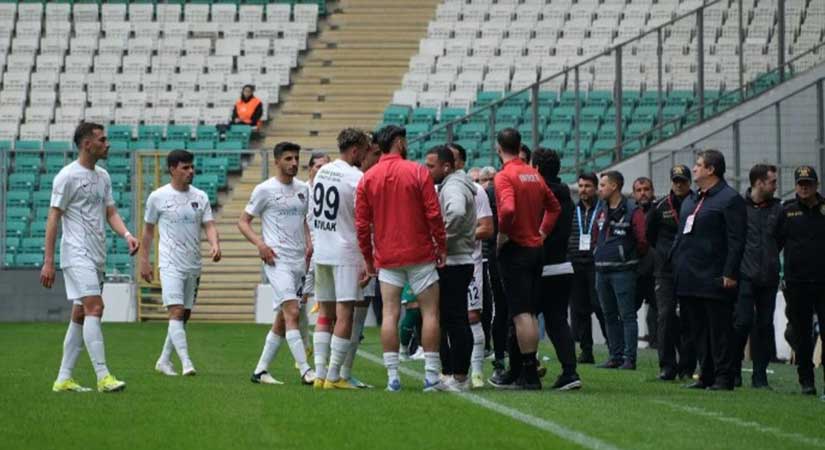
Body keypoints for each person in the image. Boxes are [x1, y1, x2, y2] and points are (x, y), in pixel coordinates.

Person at [44, 122, 139, 393]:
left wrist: (127, 235)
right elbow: (53, 217)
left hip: (97, 255)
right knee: (95, 307)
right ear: (87, 144)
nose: (107, 143)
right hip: (76, 253)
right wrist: (48, 261)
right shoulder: (67, 176)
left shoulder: (103, 176)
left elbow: (110, 212)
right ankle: (103, 376)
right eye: (102, 139)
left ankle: (63, 378)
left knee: (80, 313)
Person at [355, 125, 447, 392]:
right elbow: (433, 213)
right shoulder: (418, 171)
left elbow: (362, 225)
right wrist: (440, 245)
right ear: (398, 142)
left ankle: (392, 377)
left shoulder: (368, 178)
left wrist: (368, 258)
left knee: (390, 314)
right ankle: (431, 376)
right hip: (419, 252)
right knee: (430, 312)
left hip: (387, 255)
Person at [488, 128, 561, 390]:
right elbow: (554, 207)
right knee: (528, 311)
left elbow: (507, 209)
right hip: (534, 249)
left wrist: (503, 235)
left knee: (520, 314)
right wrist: (541, 232)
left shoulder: (504, 176)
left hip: (516, 249)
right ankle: (525, 370)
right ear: (520, 146)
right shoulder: (533, 174)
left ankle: (529, 372)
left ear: (499, 148)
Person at [238, 142, 316, 386]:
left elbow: (303, 219)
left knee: (283, 319)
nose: (294, 163)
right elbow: (243, 222)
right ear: (277, 162)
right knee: (292, 311)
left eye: (296, 158)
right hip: (277, 259)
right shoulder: (265, 190)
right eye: (288, 159)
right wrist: (261, 245)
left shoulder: (304, 189)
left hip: (299, 260)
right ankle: (305, 370)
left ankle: (261, 370)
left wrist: (308, 241)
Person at [140, 150, 221, 377]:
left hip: (193, 263)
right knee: (175, 311)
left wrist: (214, 244)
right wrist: (144, 261)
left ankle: (164, 360)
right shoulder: (157, 197)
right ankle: (186, 362)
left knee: (183, 315)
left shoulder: (201, 197)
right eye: (185, 168)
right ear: (172, 169)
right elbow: (147, 233)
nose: (190, 171)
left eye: (191, 167)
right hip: (170, 264)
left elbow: (209, 225)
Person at [673, 149, 746, 391]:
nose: (694, 169)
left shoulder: (729, 199)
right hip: (689, 276)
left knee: (719, 330)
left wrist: (730, 272)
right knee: (698, 331)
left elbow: (736, 241)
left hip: (714, 277)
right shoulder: (692, 200)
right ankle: (706, 375)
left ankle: (724, 377)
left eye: (698, 165)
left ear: (711, 170)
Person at [310, 129, 370, 390]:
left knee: (325, 312)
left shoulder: (323, 171)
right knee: (345, 312)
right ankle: (334, 376)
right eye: (365, 150)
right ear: (355, 150)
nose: (367, 155)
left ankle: (320, 374)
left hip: (321, 249)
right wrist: (368, 258)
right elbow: (364, 218)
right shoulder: (356, 177)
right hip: (345, 250)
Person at [425, 145, 477, 392]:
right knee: (450, 318)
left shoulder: (454, 186)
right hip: (458, 259)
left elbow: (455, 212)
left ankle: (460, 377)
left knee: (455, 319)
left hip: (455, 261)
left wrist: (440, 240)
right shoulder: (454, 183)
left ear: (446, 166)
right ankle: (453, 374)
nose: (428, 170)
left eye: (431, 166)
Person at [532, 149, 582, 390]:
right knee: (558, 321)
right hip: (563, 265)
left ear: (538, 168)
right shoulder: (566, 196)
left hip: (539, 265)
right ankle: (570, 372)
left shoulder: (539, 194)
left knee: (522, 317)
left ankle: (525, 369)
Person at [447, 143, 494, 388]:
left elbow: (487, 227)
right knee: (446, 318)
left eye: (452, 159)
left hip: (469, 262)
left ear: (461, 163)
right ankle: (449, 372)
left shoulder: (476, 190)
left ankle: (476, 372)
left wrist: (460, 235)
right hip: (442, 263)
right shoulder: (437, 187)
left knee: (471, 316)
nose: (448, 163)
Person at [733, 164, 782, 389]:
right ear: (759, 183)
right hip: (744, 275)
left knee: (764, 326)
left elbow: (779, 239)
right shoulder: (738, 208)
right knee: (741, 323)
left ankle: (760, 377)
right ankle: (733, 372)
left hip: (769, 277)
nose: (775, 185)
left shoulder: (778, 209)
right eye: (772, 181)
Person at [592, 171, 648, 370]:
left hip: (623, 271)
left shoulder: (633, 210)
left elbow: (642, 241)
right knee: (608, 314)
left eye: (602, 185)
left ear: (614, 186)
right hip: (601, 269)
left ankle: (629, 358)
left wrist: (626, 256)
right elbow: (595, 235)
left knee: (627, 315)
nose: (599, 189)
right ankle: (614, 355)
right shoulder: (601, 209)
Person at [646, 165, 696, 380]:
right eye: (675, 180)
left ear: (689, 182)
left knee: (689, 317)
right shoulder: (660, 207)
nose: (678, 184)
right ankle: (667, 366)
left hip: (690, 269)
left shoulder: (697, 204)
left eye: (682, 181)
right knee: (665, 316)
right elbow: (649, 236)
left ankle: (687, 366)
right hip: (665, 271)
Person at [780, 166, 825, 397]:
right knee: (802, 334)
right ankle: (806, 381)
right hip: (796, 283)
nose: (804, 187)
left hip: (823, 281)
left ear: (816, 185)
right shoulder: (787, 211)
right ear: (796, 186)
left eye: (808, 183)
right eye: (800, 184)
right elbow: (774, 243)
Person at [568, 172, 608, 364]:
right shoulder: (571, 210)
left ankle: (613, 348)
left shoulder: (603, 210)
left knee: (600, 306)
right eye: (581, 186)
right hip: (576, 264)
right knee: (579, 309)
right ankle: (586, 350)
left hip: (595, 264)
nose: (583, 190)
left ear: (596, 188)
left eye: (588, 186)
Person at [632, 177, 657, 349]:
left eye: (646, 189)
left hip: (657, 272)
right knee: (628, 312)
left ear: (652, 191)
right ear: (634, 193)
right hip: (636, 271)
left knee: (657, 314)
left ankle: (659, 348)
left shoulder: (660, 211)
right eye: (639, 190)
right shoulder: (629, 212)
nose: (643, 193)